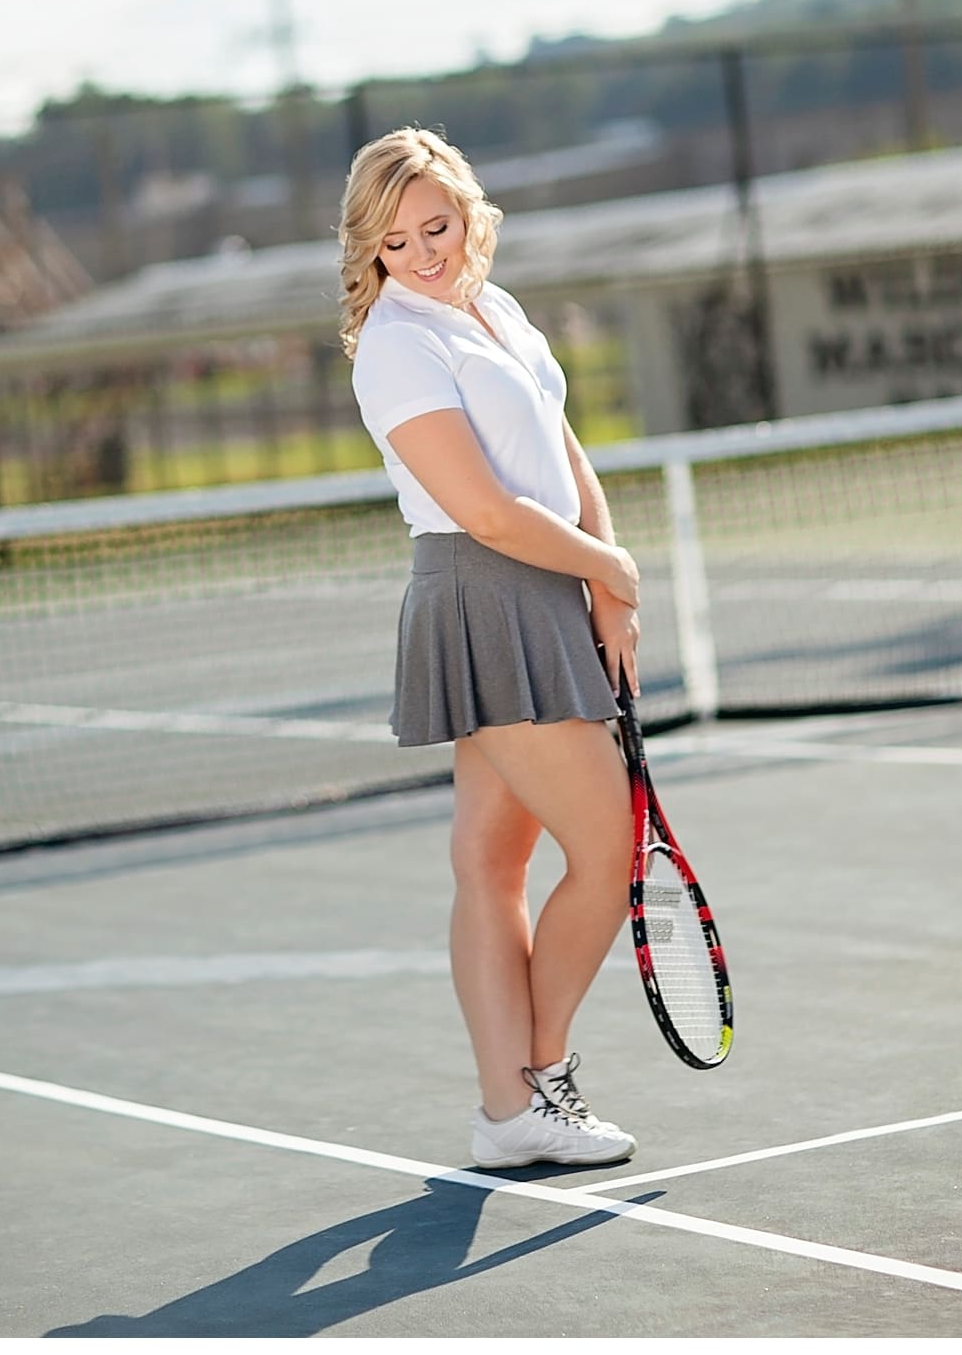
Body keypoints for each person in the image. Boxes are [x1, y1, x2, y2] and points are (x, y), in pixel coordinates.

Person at [339, 126, 640, 1170]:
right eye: (396, 238)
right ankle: (538, 1083)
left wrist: (605, 571)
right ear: (369, 250)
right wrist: (614, 570)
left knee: (490, 860)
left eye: (437, 222)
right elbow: (487, 508)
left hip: (545, 584)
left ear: (470, 211)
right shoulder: (396, 341)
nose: (423, 250)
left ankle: (506, 1116)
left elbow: (563, 449)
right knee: (609, 851)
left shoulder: (492, 306)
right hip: (485, 590)